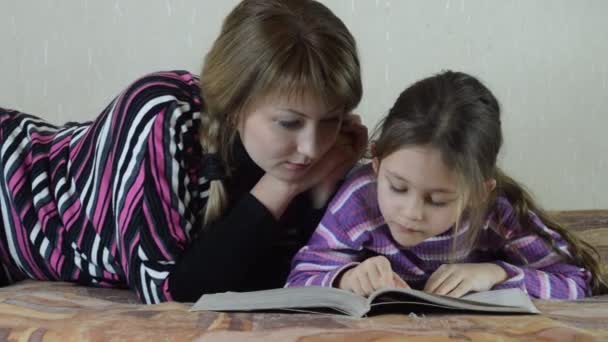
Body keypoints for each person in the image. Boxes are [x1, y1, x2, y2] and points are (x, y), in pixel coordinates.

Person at [0, 0, 367, 304]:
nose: (312, 148)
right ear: (236, 106)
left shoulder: (296, 153)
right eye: (289, 123)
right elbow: (167, 290)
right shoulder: (159, 113)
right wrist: (284, 186)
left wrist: (321, 197)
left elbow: (276, 278)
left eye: (330, 121)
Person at [286, 70, 607, 299]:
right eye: (397, 187)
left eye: (437, 200)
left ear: (477, 194)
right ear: (377, 161)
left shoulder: (498, 212)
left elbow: (577, 281)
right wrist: (345, 278)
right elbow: (298, 280)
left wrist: (497, 273)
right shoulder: (359, 199)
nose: (411, 213)